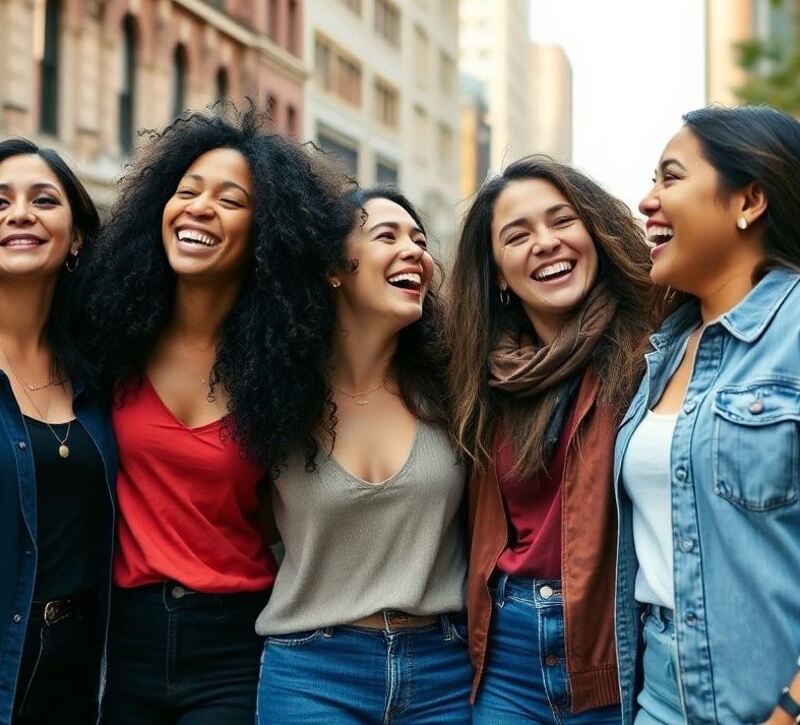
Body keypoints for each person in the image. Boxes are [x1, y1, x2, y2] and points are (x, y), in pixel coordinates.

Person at [83, 103, 351, 725]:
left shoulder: (289, 363)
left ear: (267, 234)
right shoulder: (108, 337)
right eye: (187, 191)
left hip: (233, 639)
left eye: (231, 200)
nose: (200, 208)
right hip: (121, 634)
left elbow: (274, 512)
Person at [254, 185, 471, 725]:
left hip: (443, 668)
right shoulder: (274, 397)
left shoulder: (456, 388)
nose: (414, 251)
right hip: (311, 672)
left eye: (420, 241)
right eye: (386, 235)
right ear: (335, 269)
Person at [447, 156, 652, 724]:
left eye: (562, 221)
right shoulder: (479, 376)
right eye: (518, 235)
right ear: (496, 273)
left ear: (594, 232)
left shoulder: (655, 349)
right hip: (506, 657)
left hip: (619, 650)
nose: (546, 242)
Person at [615, 105, 800, 725]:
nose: (647, 200)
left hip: (769, 697)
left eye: (670, 177)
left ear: (749, 200)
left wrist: (791, 708)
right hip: (661, 692)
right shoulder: (666, 348)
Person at [0, 138, 116, 724]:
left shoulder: (101, 374)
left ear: (76, 239)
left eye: (43, 199)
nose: (20, 212)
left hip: (82, 673)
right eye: (0, 202)